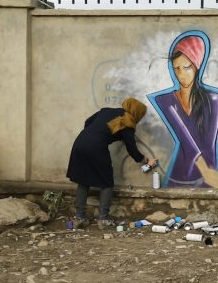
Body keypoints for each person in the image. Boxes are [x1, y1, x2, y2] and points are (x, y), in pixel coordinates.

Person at [148, 31, 218, 188]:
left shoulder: (214, 100)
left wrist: (211, 176)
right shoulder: (165, 101)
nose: (181, 75)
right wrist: (208, 174)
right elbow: (187, 142)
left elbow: (209, 145)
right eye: (176, 68)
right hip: (180, 176)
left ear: (197, 66)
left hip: (209, 176)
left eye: (186, 67)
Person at [66, 97, 157, 228]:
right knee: (107, 182)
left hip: (80, 142)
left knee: (83, 181)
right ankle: (103, 219)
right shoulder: (128, 125)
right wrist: (146, 161)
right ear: (137, 114)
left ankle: (79, 217)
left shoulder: (106, 111)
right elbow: (133, 150)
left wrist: (94, 135)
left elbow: (88, 122)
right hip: (96, 148)